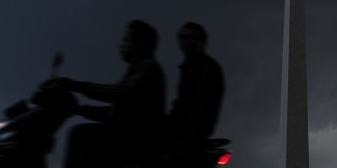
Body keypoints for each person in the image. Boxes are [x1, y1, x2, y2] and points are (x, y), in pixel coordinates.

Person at [48, 20, 165, 168]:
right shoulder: (136, 71)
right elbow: (113, 112)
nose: (120, 45)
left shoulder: (148, 68)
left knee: (79, 135)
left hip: (137, 140)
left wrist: (75, 85)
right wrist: (79, 109)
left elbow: (121, 92)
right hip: (128, 137)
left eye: (126, 40)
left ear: (141, 43)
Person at [166, 22, 224, 154]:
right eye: (183, 37)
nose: (188, 41)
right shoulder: (188, 67)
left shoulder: (206, 68)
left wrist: (184, 141)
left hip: (190, 136)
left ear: (203, 41)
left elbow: (200, 106)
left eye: (193, 37)